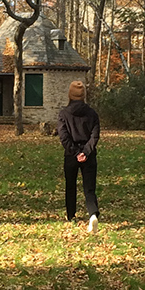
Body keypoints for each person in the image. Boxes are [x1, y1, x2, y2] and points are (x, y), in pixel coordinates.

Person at [57, 80, 101, 233]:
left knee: (71, 185)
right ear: (84, 96)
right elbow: (94, 136)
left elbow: (64, 137)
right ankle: (93, 214)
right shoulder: (92, 114)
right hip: (89, 155)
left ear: (70, 95)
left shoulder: (64, 114)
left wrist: (75, 153)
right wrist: (86, 152)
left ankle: (71, 215)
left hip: (70, 155)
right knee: (89, 188)